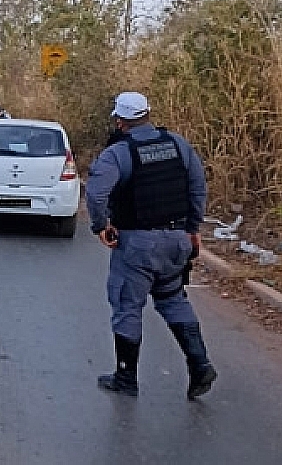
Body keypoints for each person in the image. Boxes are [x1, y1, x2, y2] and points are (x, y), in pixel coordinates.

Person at [86, 91, 217, 400]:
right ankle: (200, 364)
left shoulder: (118, 153)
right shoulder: (178, 145)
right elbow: (198, 187)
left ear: (120, 121)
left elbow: (95, 194)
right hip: (177, 241)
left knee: (127, 306)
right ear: (147, 115)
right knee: (173, 299)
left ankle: (126, 377)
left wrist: (101, 226)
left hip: (137, 245)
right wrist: (193, 229)